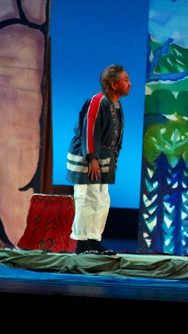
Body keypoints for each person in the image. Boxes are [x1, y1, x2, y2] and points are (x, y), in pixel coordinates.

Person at [66, 64, 131, 255]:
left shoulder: (116, 105)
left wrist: (113, 160)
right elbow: (89, 130)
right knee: (85, 198)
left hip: (103, 158)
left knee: (102, 199)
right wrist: (91, 158)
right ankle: (81, 243)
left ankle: (94, 240)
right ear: (114, 84)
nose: (129, 83)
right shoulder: (98, 101)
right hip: (87, 156)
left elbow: (116, 137)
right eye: (125, 79)